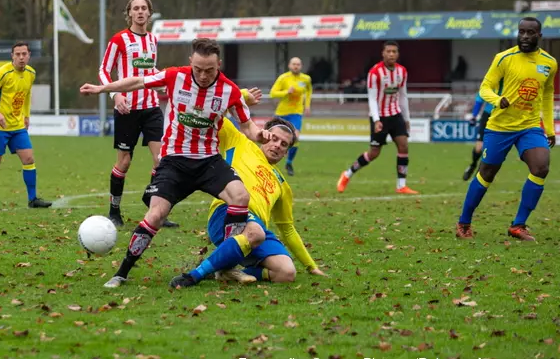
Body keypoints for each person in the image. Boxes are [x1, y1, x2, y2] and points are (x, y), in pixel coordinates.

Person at [80, 38, 271, 288]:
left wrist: (259, 135)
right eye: (198, 69)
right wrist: (102, 89)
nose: (203, 75)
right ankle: (122, 272)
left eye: (210, 70)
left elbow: (246, 124)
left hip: (208, 161)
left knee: (240, 197)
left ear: (219, 65)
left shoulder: (229, 91)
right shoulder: (174, 76)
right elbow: (137, 81)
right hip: (174, 162)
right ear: (190, 62)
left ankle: (226, 266)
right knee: (156, 214)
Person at [169, 111, 328, 289]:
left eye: (283, 144)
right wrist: (243, 98)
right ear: (264, 134)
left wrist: (311, 266)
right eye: (274, 138)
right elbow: (215, 114)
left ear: (286, 153)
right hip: (227, 212)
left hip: (257, 228)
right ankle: (194, 275)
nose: (277, 145)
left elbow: (287, 229)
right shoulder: (240, 142)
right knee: (256, 232)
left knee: (286, 272)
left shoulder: (282, 184)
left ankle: (223, 271)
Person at [456, 17, 557, 241]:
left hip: (529, 127)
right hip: (500, 126)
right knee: (487, 173)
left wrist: (548, 129)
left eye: (530, 32)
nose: (525, 36)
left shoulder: (549, 63)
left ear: (539, 36)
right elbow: (485, 88)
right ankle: (464, 223)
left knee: (541, 167)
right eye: (521, 32)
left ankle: (518, 225)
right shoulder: (503, 58)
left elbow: (548, 95)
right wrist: (497, 99)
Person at [98, 0, 177, 228]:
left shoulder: (153, 39)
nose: (140, 12)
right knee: (124, 162)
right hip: (127, 110)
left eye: (144, 8)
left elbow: (151, 70)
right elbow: (104, 70)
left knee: (161, 159)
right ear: (129, 13)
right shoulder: (119, 39)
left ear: (149, 14)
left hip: (151, 107)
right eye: (136, 8)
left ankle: (154, 208)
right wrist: (116, 94)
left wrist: (166, 80)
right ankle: (114, 210)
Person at [0, 42, 52, 208]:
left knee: (28, 158)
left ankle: (32, 199)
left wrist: (26, 115)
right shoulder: (3, 73)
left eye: (24, 54)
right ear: (12, 56)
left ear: (29, 55)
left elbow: (27, 95)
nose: (21, 57)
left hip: (17, 126)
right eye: (17, 54)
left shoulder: (31, 73)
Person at [337, 41, 418, 194]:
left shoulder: (402, 71)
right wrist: (376, 120)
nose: (391, 54)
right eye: (389, 51)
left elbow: (403, 96)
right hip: (379, 117)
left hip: (395, 114)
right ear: (383, 53)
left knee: (404, 145)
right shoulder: (375, 72)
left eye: (394, 51)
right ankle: (347, 174)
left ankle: (401, 185)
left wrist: (407, 119)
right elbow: (372, 98)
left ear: (398, 54)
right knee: (374, 153)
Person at [269, 57, 312, 176]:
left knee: (296, 137)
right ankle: (269, 162)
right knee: (273, 138)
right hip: (282, 113)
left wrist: (307, 105)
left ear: (301, 66)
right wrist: (286, 92)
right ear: (289, 65)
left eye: (298, 64)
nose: (296, 66)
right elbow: (273, 93)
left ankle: (289, 162)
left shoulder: (306, 79)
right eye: (294, 64)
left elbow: (308, 91)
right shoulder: (283, 78)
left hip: (296, 113)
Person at [462, 90, 494, 181]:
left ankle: (480, 171)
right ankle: (473, 165)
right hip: (487, 116)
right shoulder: (491, 82)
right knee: (479, 148)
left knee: (490, 148)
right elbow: (480, 99)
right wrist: (474, 116)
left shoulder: (510, 82)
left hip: (502, 117)